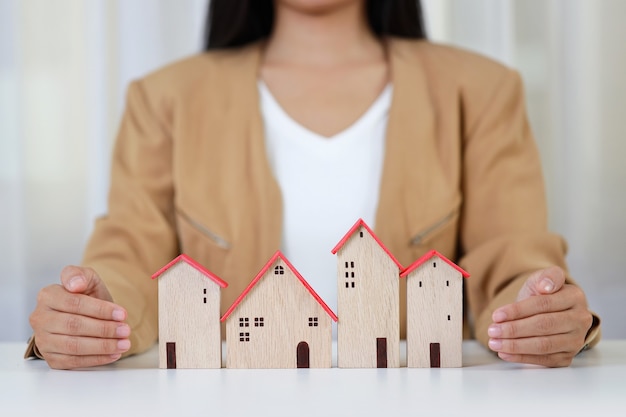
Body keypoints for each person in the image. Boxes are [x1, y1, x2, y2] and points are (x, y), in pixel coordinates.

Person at [27, 0, 600, 370]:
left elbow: (513, 256)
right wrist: (97, 313)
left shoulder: (480, 90)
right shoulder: (165, 98)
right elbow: (132, 256)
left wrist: (538, 311)